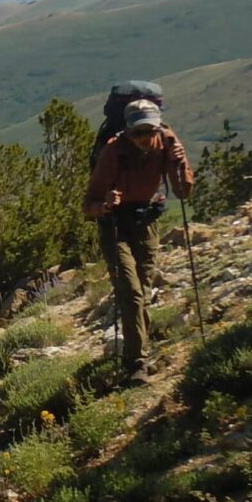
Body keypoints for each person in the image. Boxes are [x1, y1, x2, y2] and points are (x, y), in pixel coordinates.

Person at [82, 99, 193, 379]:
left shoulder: (167, 141)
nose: (144, 138)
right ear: (128, 131)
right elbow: (89, 204)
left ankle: (138, 352)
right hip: (115, 225)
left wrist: (179, 164)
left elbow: (183, 192)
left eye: (149, 132)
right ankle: (137, 364)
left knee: (141, 292)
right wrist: (106, 204)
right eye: (138, 133)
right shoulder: (113, 151)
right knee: (130, 293)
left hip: (146, 223)